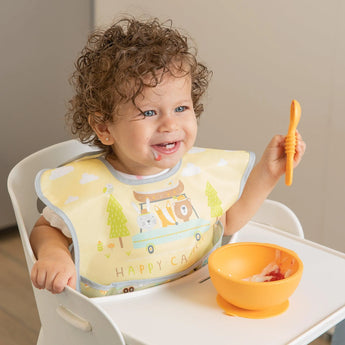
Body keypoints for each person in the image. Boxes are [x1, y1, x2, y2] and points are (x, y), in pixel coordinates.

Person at [29, 17, 306, 297]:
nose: (170, 125)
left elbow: (228, 222)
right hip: (119, 324)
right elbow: (45, 228)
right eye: (149, 112)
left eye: (181, 108)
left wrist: (269, 173)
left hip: (191, 302)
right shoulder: (87, 185)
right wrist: (54, 255)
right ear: (104, 128)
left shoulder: (197, 174)